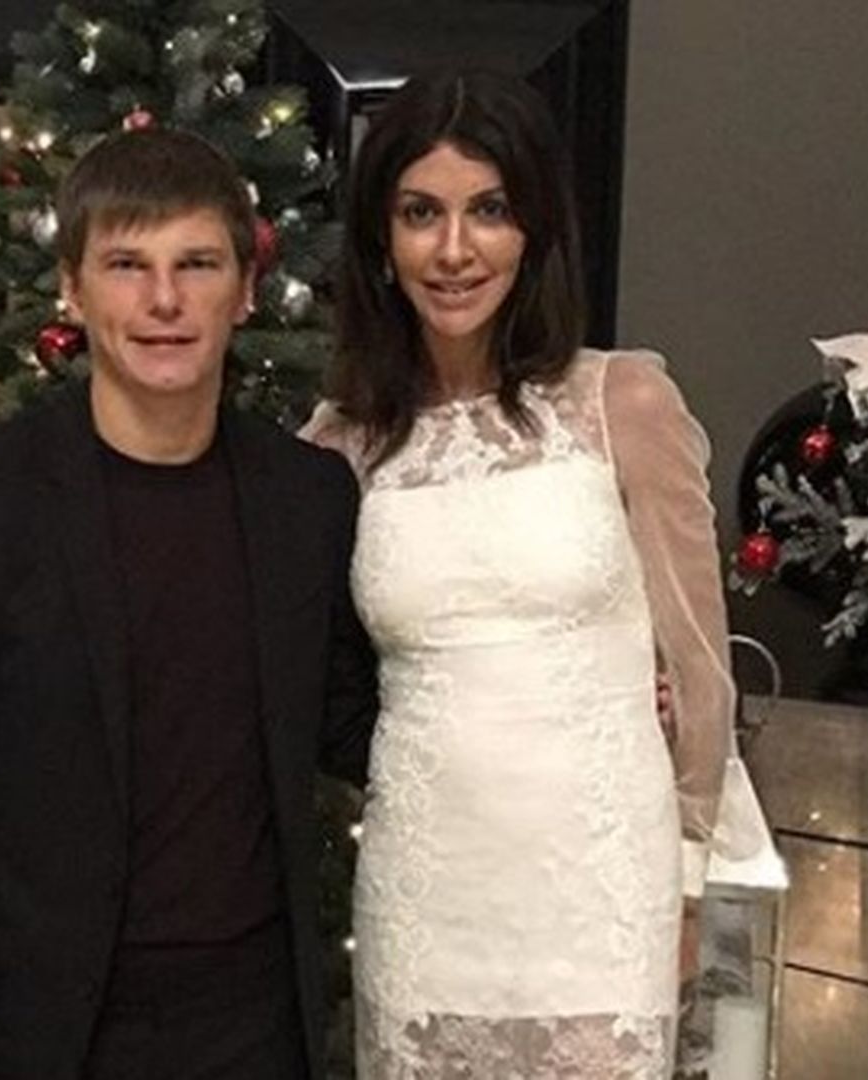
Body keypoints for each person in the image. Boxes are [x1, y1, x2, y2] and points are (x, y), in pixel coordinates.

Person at [0, 127, 378, 1079]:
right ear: (72, 287)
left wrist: (575, 692)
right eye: (127, 265)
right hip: (48, 1033)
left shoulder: (308, 497)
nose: (164, 300)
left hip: (257, 1030)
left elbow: (358, 724)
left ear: (247, 289)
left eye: (197, 263)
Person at [301, 70, 735, 1077]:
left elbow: (700, 667)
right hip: (426, 893)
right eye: (421, 213)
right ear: (381, 240)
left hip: (602, 888)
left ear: (534, 228)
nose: (455, 250)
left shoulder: (622, 403)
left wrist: (688, 880)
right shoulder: (339, 446)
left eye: (489, 210)